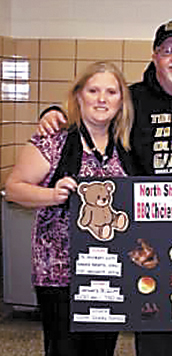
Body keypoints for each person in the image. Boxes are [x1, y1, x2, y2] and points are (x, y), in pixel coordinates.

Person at [37, 20, 172, 356]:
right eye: (167, 50)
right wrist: (53, 114)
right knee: (154, 331)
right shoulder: (132, 99)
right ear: (155, 57)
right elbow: (93, 113)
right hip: (149, 241)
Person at [5, 61, 134, 356]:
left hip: (108, 274)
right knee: (63, 350)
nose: (102, 99)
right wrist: (53, 195)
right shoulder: (53, 142)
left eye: (111, 92)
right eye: (93, 90)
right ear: (79, 96)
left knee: (101, 349)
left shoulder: (126, 147)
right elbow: (14, 188)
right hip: (59, 277)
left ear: (121, 101)